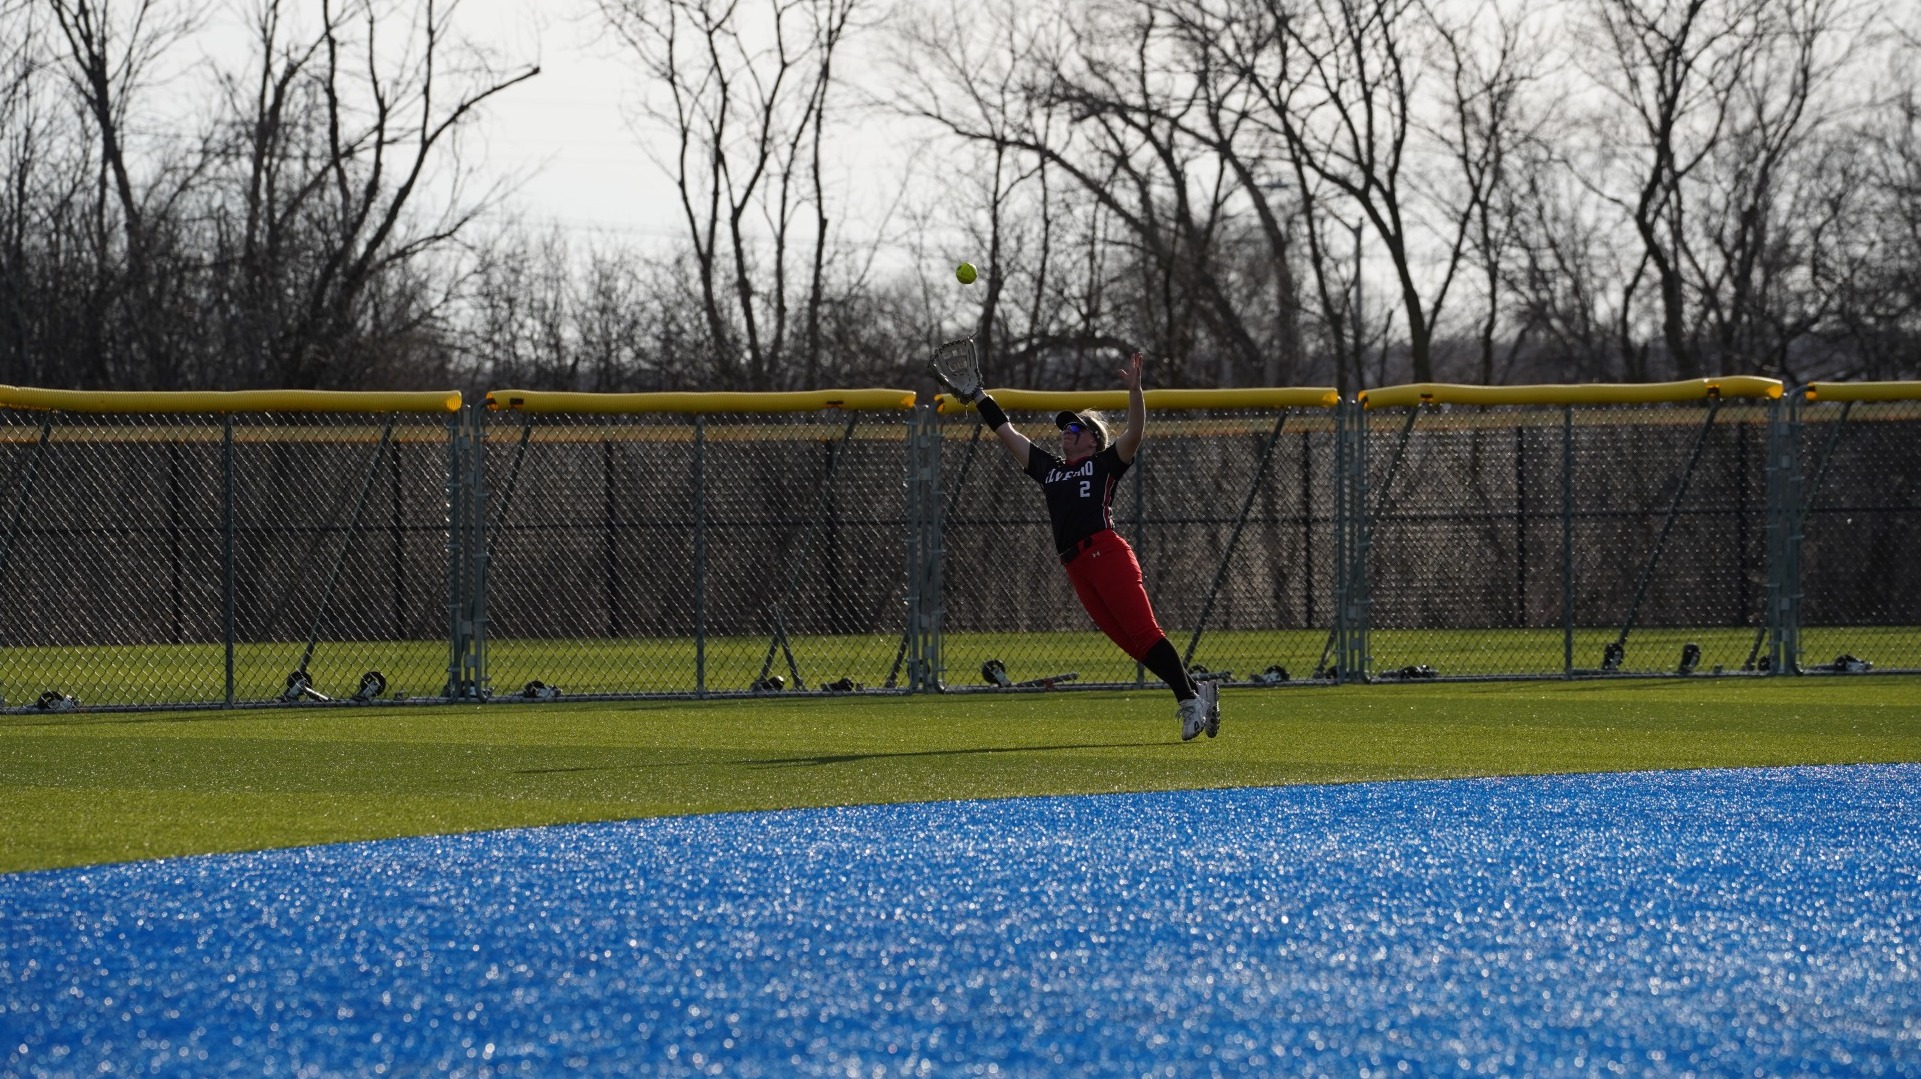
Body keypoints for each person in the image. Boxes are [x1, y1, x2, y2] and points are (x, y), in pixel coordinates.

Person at [969, 351, 1219, 741]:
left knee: (1146, 633)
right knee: (1134, 645)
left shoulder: (1103, 464)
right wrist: (979, 395)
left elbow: (1134, 434)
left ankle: (1188, 700)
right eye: (1066, 427)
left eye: (1077, 428)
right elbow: (1008, 433)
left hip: (1107, 553)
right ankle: (1200, 692)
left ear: (1093, 440)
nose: (1067, 431)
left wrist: (1135, 391)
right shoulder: (1049, 469)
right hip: (1076, 567)